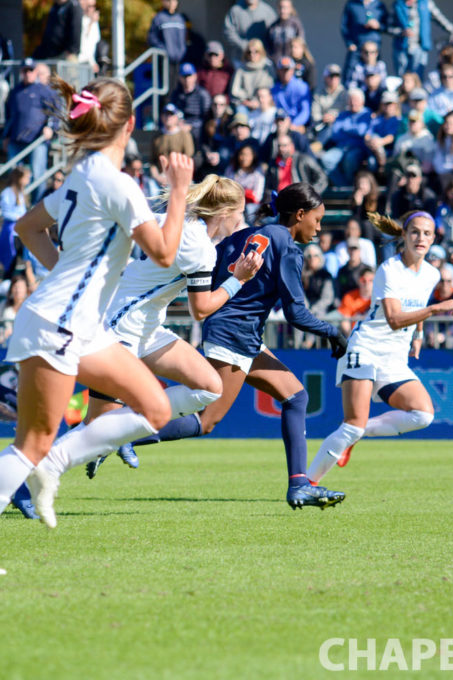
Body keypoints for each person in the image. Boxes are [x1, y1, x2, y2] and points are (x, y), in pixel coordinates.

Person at [0, 75, 195, 574]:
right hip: (62, 325)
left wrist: (68, 278)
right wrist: (179, 193)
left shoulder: (82, 176)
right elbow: (163, 254)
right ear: (130, 126)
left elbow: (26, 227)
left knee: (156, 407)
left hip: (71, 321)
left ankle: (55, 464)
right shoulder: (117, 184)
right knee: (31, 441)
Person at [93, 183, 347, 512]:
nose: (319, 227)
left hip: (237, 332)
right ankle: (115, 436)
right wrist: (333, 332)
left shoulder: (246, 235)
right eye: (317, 219)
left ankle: (299, 484)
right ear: (300, 215)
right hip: (235, 335)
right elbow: (295, 312)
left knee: (296, 396)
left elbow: (210, 275)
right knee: (206, 420)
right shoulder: (287, 245)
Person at [83, 175, 263, 477]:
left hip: (147, 329)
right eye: (240, 212)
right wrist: (239, 280)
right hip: (118, 330)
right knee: (91, 434)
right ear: (224, 213)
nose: (240, 220)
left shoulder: (173, 220)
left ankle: (124, 431)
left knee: (209, 387)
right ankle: (22, 483)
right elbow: (200, 310)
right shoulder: (200, 248)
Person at [307, 210, 453, 484]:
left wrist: (418, 334)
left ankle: (358, 434)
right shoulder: (389, 270)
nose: (421, 238)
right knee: (351, 426)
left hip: (394, 358)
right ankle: (307, 484)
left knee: (423, 415)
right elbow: (394, 319)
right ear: (403, 235)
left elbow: (415, 306)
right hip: (366, 349)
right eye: (415, 231)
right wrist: (433, 310)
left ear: (433, 239)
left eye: (427, 233)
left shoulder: (431, 274)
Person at [4, 59, 58, 202]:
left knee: (37, 173)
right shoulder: (15, 92)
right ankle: (17, 206)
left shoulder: (44, 90)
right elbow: (9, 115)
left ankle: (36, 207)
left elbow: (56, 111)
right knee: (14, 173)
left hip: (37, 140)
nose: (28, 73)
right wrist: (6, 135)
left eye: (30, 70)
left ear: (35, 72)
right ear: (21, 72)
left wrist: (51, 128)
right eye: (25, 70)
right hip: (16, 139)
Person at [0, 166, 31, 278]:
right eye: (26, 177)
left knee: (27, 259)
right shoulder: (7, 193)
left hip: (21, 232)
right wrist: (18, 217)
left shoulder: (21, 193)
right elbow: (5, 212)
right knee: (11, 261)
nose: (28, 180)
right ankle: (7, 282)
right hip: (12, 232)